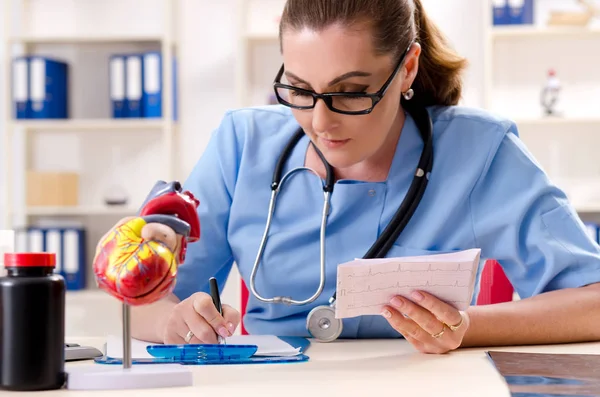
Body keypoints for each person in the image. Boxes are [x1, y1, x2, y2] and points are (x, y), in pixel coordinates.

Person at [122, 0, 600, 354]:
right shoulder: (241, 144)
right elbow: (141, 300)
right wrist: (176, 321)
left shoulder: (480, 151)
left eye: (350, 93)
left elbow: (592, 302)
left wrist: (467, 326)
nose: (321, 122)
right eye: (299, 89)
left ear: (407, 68)